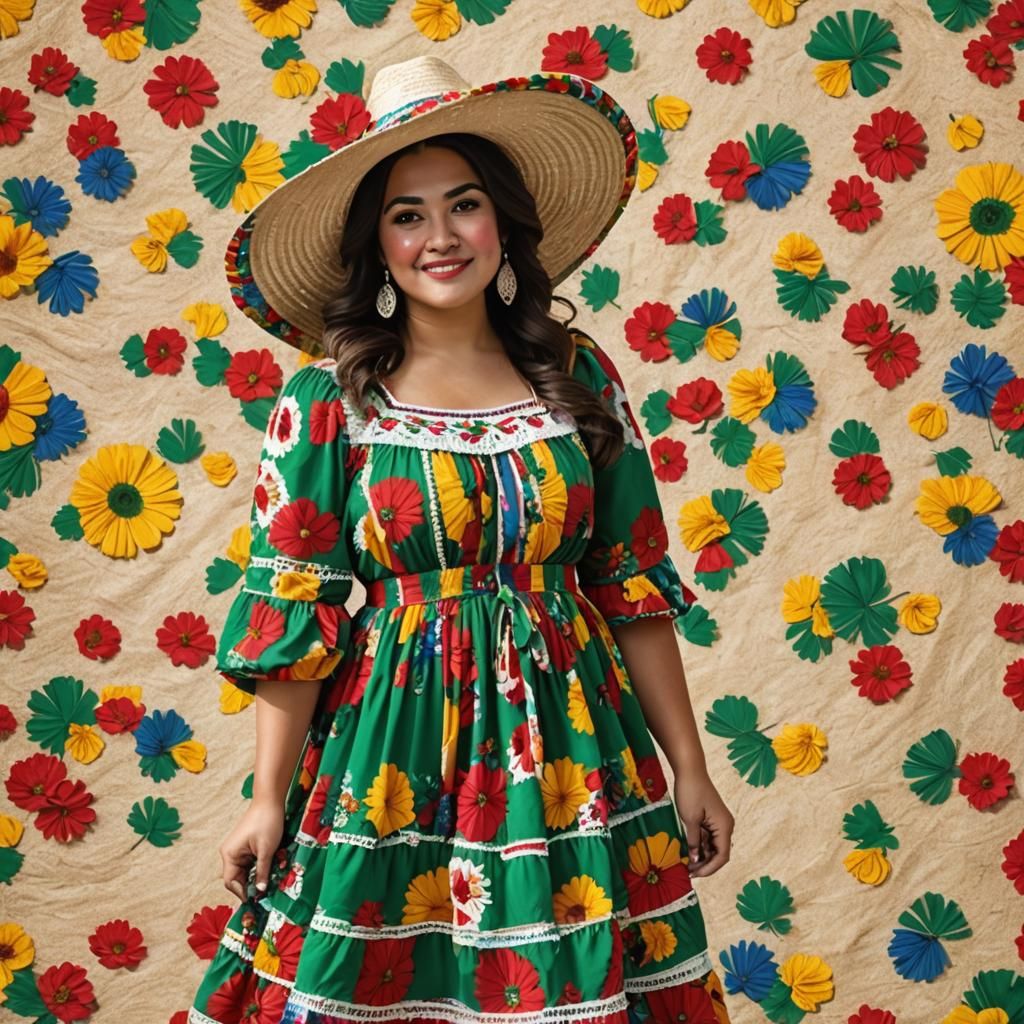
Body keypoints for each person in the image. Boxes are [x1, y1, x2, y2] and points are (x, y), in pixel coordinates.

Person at [189, 55, 735, 1024]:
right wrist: (268, 795)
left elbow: (631, 588)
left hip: (571, 750)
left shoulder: (577, 375)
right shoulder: (329, 401)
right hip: (390, 751)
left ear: (504, 223)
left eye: (464, 204)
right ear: (378, 245)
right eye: (407, 214)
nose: (439, 236)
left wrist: (689, 765)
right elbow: (295, 610)